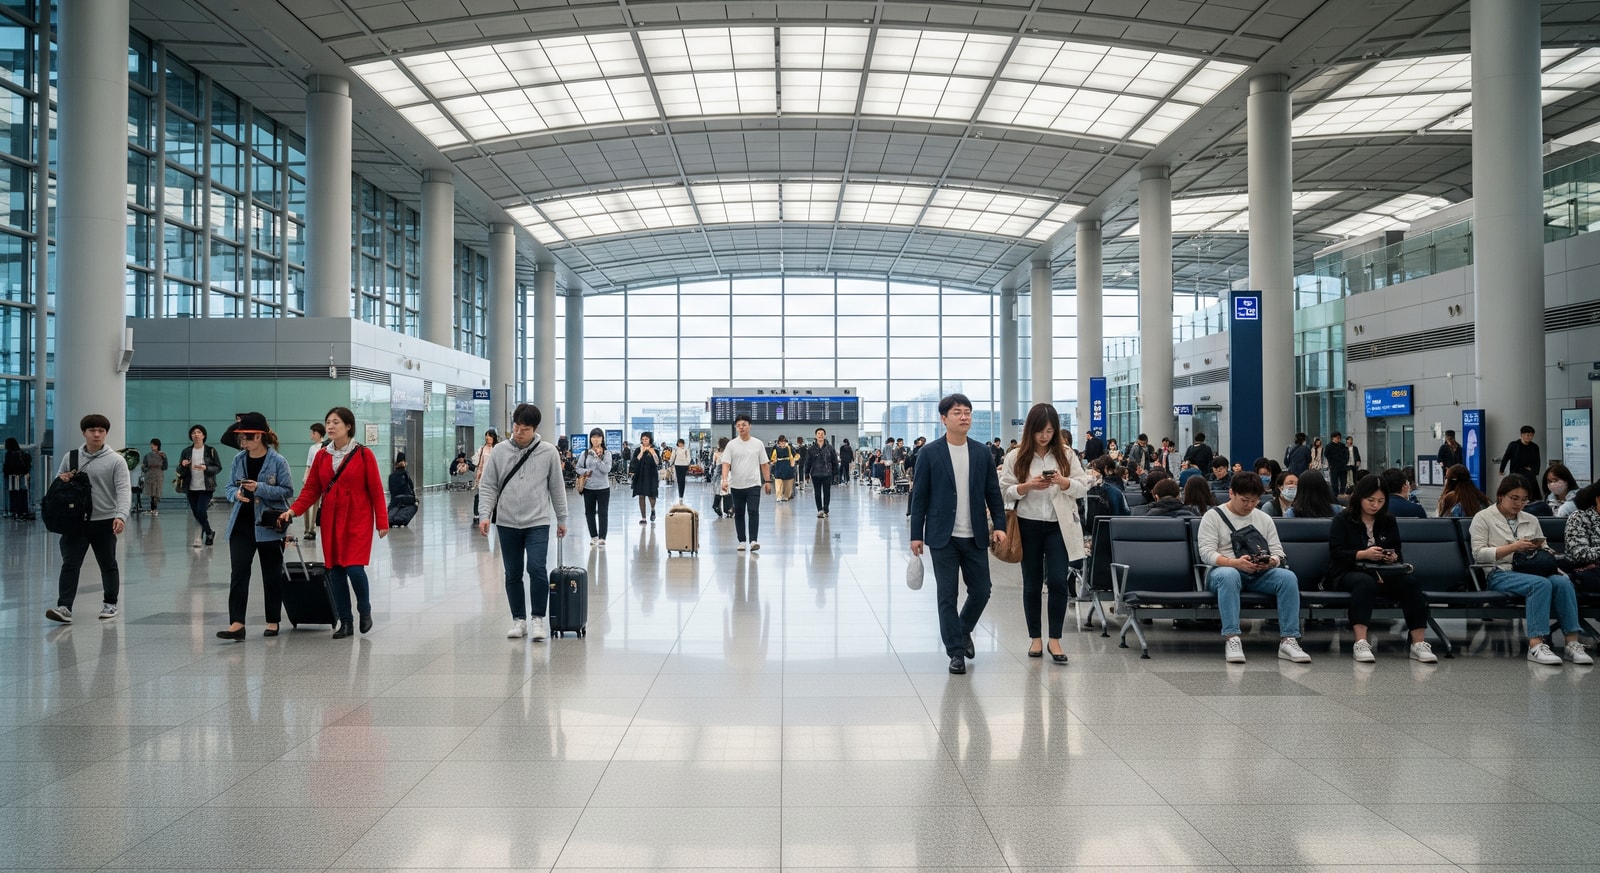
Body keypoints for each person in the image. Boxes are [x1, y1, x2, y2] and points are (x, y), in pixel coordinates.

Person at [909, 394, 1008, 675]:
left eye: (967, 412)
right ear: (944, 419)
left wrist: (999, 524)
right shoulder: (929, 453)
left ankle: (962, 632)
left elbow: (993, 492)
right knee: (947, 595)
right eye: (957, 412)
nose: (964, 417)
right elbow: (920, 497)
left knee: (982, 590)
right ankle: (955, 652)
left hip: (975, 533)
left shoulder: (981, 452)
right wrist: (916, 534)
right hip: (943, 536)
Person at [279, 406, 388, 639]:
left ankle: (364, 609)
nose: (330, 426)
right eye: (328, 422)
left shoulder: (363, 454)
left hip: (358, 519)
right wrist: (293, 510)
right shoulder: (322, 455)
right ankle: (345, 622)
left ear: (348, 426)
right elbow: (311, 490)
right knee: (336, 570)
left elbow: (376, 490)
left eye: (336, 422)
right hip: (331, 519)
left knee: (355, 568)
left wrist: (382, 521)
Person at [998, 402, 1089, 664]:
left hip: (1058, 526)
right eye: (1040, 430)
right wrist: (1027, 486)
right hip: (1027, 524)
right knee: (1032, 583)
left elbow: (1083, 486)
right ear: (1030, 430)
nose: (1044, 436)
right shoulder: (1016, 456)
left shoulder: (1066, 455)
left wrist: (1064, 482)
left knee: (1059, 581)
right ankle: (1035, 638)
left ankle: (1055, 640)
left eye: (1049, 430)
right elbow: (1004, 490)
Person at [1469, 475, 1591, 665]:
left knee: (1562, 582)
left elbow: (1545, 547)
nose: (1519, 503)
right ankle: (1536, 644)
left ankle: (1572, 643)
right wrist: (1513, 547)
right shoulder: (1483, 517)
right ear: (1501, 496)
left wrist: (1540, 548)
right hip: (1501, 572)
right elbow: (1479, 554)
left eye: (1524, 499)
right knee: (1540, 584)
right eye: (1514, 498)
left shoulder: (1531, 519)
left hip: (1532, 570)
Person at [476, 403, 567, 641]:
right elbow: (488, 485)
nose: (518, 432)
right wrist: (484, 514)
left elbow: (557, 487)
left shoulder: (548, 452)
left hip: (537, 521)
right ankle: (519, 620)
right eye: (516, 426)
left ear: (535, 428)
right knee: (512, 573)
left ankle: (538, 619)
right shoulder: (499, 451)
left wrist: (562, 518)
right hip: (506, 522)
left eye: (525, 428)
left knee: (536, 568)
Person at [1198, 471, 1308, 664]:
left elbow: (1278, 552)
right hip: (1224, 572)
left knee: (1287, 577)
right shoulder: (1213, 516)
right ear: (1231, 493)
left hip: (1258, 573)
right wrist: (1235, 563)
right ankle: (1232, 638)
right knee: (1229, 575)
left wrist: (1270, 562)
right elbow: (1207, 554)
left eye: (1254, 501)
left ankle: (1289, 639)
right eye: (1245, 500)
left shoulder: (1263, 518)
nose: (1249, 505)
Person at [1327, 474, 1437, 663]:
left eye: (1380, 501)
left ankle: (1418, 643)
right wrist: (1363, 554)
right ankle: (1360, 641)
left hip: (1383, 571)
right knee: (1364, 583)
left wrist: (1392, 557)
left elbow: (1397, 551)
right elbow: (1336, 553)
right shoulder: (1343, 519)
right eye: (1370, 500)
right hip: (1349, 571)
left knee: (1410, 583)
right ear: (1360, 497)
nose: (1375, 505)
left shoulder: (1388, 520)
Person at [44, 414, 132, 624]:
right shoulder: (71, 457)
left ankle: (110, 604)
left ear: (106, 433)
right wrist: (62, 479)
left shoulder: (116, 460)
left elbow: (123, 490)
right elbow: (58, 483)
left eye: (101, 430)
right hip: (75, 521)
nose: (96, 434)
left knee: (108, 563)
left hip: (105, 520)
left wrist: (121, 515)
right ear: (84, 433)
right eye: (92, 430)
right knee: (70, 564)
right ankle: (64, 606)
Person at [215, 414, 293, 640]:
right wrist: (236, 494)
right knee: (238, 573)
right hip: (241, 525)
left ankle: (272, 621)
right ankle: (237, 623)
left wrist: (259, 487)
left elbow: (287, 490)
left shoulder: (278, 461)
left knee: (271, 575)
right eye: (240, 439)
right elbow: (229, 486)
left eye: (246, 438)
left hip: (269, 525)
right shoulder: (239, 459)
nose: (242, 443)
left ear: (258, 436)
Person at [721, 414, 771, 551]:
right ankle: (742, 541)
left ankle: (753, 540)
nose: (741, 427)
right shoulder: (731, 445)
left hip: (754, 484)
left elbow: (764, 464)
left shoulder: (758, 444)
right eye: (738, 425)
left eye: (744, 425)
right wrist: (724, 480)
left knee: (753, 511)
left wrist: (767, 481)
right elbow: (725, 463)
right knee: (740, 513)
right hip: (737, 485)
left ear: (749, 426)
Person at [179, 424, 222, 547]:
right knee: (196, 513)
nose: (196, 435)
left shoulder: (210, 450)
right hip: (191, 487)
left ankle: (200, 535)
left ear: (203, 435)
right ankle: (209, 532)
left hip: (206, 487)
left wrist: (206, 468)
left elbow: (218, 467)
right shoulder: (186, 451)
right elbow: (179, 469)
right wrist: (182, 465)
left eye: (199, 432)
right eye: (193, 433)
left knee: (201, 511)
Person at [574, 428, 612, 547]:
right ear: (590, 439)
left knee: (603, 513)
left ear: (602, 439)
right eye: (593, 437)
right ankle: (593, 536)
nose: (596, 439)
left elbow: (606, 469)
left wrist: (596, 458)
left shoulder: (607, 453)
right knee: (589, 513)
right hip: (589, 488)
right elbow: (578, 468)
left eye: (598, 437)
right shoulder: (584, 453)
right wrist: (586, 471)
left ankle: (602, 537)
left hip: (603, 488)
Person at [631, 431, 662, 524]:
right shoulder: (637, 450)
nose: (644, 441)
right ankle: (643, 517)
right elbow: (634, 462)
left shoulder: (655, 450)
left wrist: (653, 453)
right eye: (643, 439)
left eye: (646, 439)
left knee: (651, 494)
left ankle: (653, 509)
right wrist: (641, 452)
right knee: (641, 495)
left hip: (651, 475)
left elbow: (658, 463)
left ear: (650, 439)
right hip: (640, 475)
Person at [471, 429, 499, 524]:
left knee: (496, 497)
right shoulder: (482, 449)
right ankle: (477, 514)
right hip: (484, 476)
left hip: (496, 476)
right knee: (480, 496)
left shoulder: (498, 448)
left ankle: (495, 516)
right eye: (486, 436)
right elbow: (480, 464)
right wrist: (478, 477)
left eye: (489, 436)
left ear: (494, 437)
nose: (487, 438)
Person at [303, 423, 326, 539]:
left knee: (316, 505)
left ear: (317, 433)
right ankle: (307, 528)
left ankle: (312, 529)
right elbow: (309, 465)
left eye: (312, 433)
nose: (311, 435)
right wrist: (305, 477)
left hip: (320, 480)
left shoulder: (326, 447)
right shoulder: (312, 448)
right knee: (307, 504)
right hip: (311, 479)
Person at [808, 428, 837, 518]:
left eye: (822, 433)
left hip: (827, 473)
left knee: (827, 492)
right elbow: (808, 461)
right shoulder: (811, 449)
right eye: (818, 433)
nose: (820, 435)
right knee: (817, 493)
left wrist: (836, 474)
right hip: (815, 473)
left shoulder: (830, 448)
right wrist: (806, 473)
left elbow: (834, 461)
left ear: (824, 435)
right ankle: (820, 510)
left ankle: (826, 509)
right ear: (816, 435)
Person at [4, 436, 31, 518]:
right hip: (23, 476)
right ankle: (23, 511)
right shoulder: (22, 453)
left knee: (13, 494)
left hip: (12, 477)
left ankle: (14, 510)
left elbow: (7, 467)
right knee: (22, 493)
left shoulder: (9, 454)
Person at [140, 439, 167, 516]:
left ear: (158, 446)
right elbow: (144, 466)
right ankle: (152, 508)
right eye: (151, 444)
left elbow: (165, 466)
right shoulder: (147, 455)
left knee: (157, 491)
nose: (152, 446)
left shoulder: (162, 455)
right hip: (149, 474)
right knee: (151, 492)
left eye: (154, 445)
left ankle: (155, 508)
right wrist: (146, 470)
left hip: (158, 474)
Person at [388, 452, 415, 522]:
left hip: (394, 501)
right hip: (406, 500)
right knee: (415, 504)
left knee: (396, 506)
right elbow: (411, 487)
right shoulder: (405, 474)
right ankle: (401, 519)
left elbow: (391, 491)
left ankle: (391, 517)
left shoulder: (391, 476)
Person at [770, 435, 796, 502]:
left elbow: (795, 455)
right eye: (781, 441)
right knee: (778, 481)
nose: (782, 443)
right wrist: (773, 461)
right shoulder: (775, 447)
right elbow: (772, 456)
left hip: (787, 465)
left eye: (783, 441)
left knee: (788, 482)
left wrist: (793, 461)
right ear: (779, 442)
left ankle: (786, 496)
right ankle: (779, 496)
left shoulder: (789, 447)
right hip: (779, 465)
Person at [709, 437, 730, 518]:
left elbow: (713, 464)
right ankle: (727, 509)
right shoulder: (728, 453)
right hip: (726, 473)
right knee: (726, 491)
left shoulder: (716, 454)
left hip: (718, 474)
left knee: (719, 491)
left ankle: (717, 506)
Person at [672, 438, 690, 502]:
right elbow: (673, 457)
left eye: (681, 443)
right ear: (678, 443)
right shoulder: (675, 449)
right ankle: (680, 494)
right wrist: (670, 463)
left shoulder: (686, 449)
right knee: (679, 480)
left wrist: (687, 463)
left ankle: (681, 495)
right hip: (677, 465)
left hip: (684, 465)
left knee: (682, 480)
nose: (680, 444)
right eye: (679, 443)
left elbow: (688, 457)